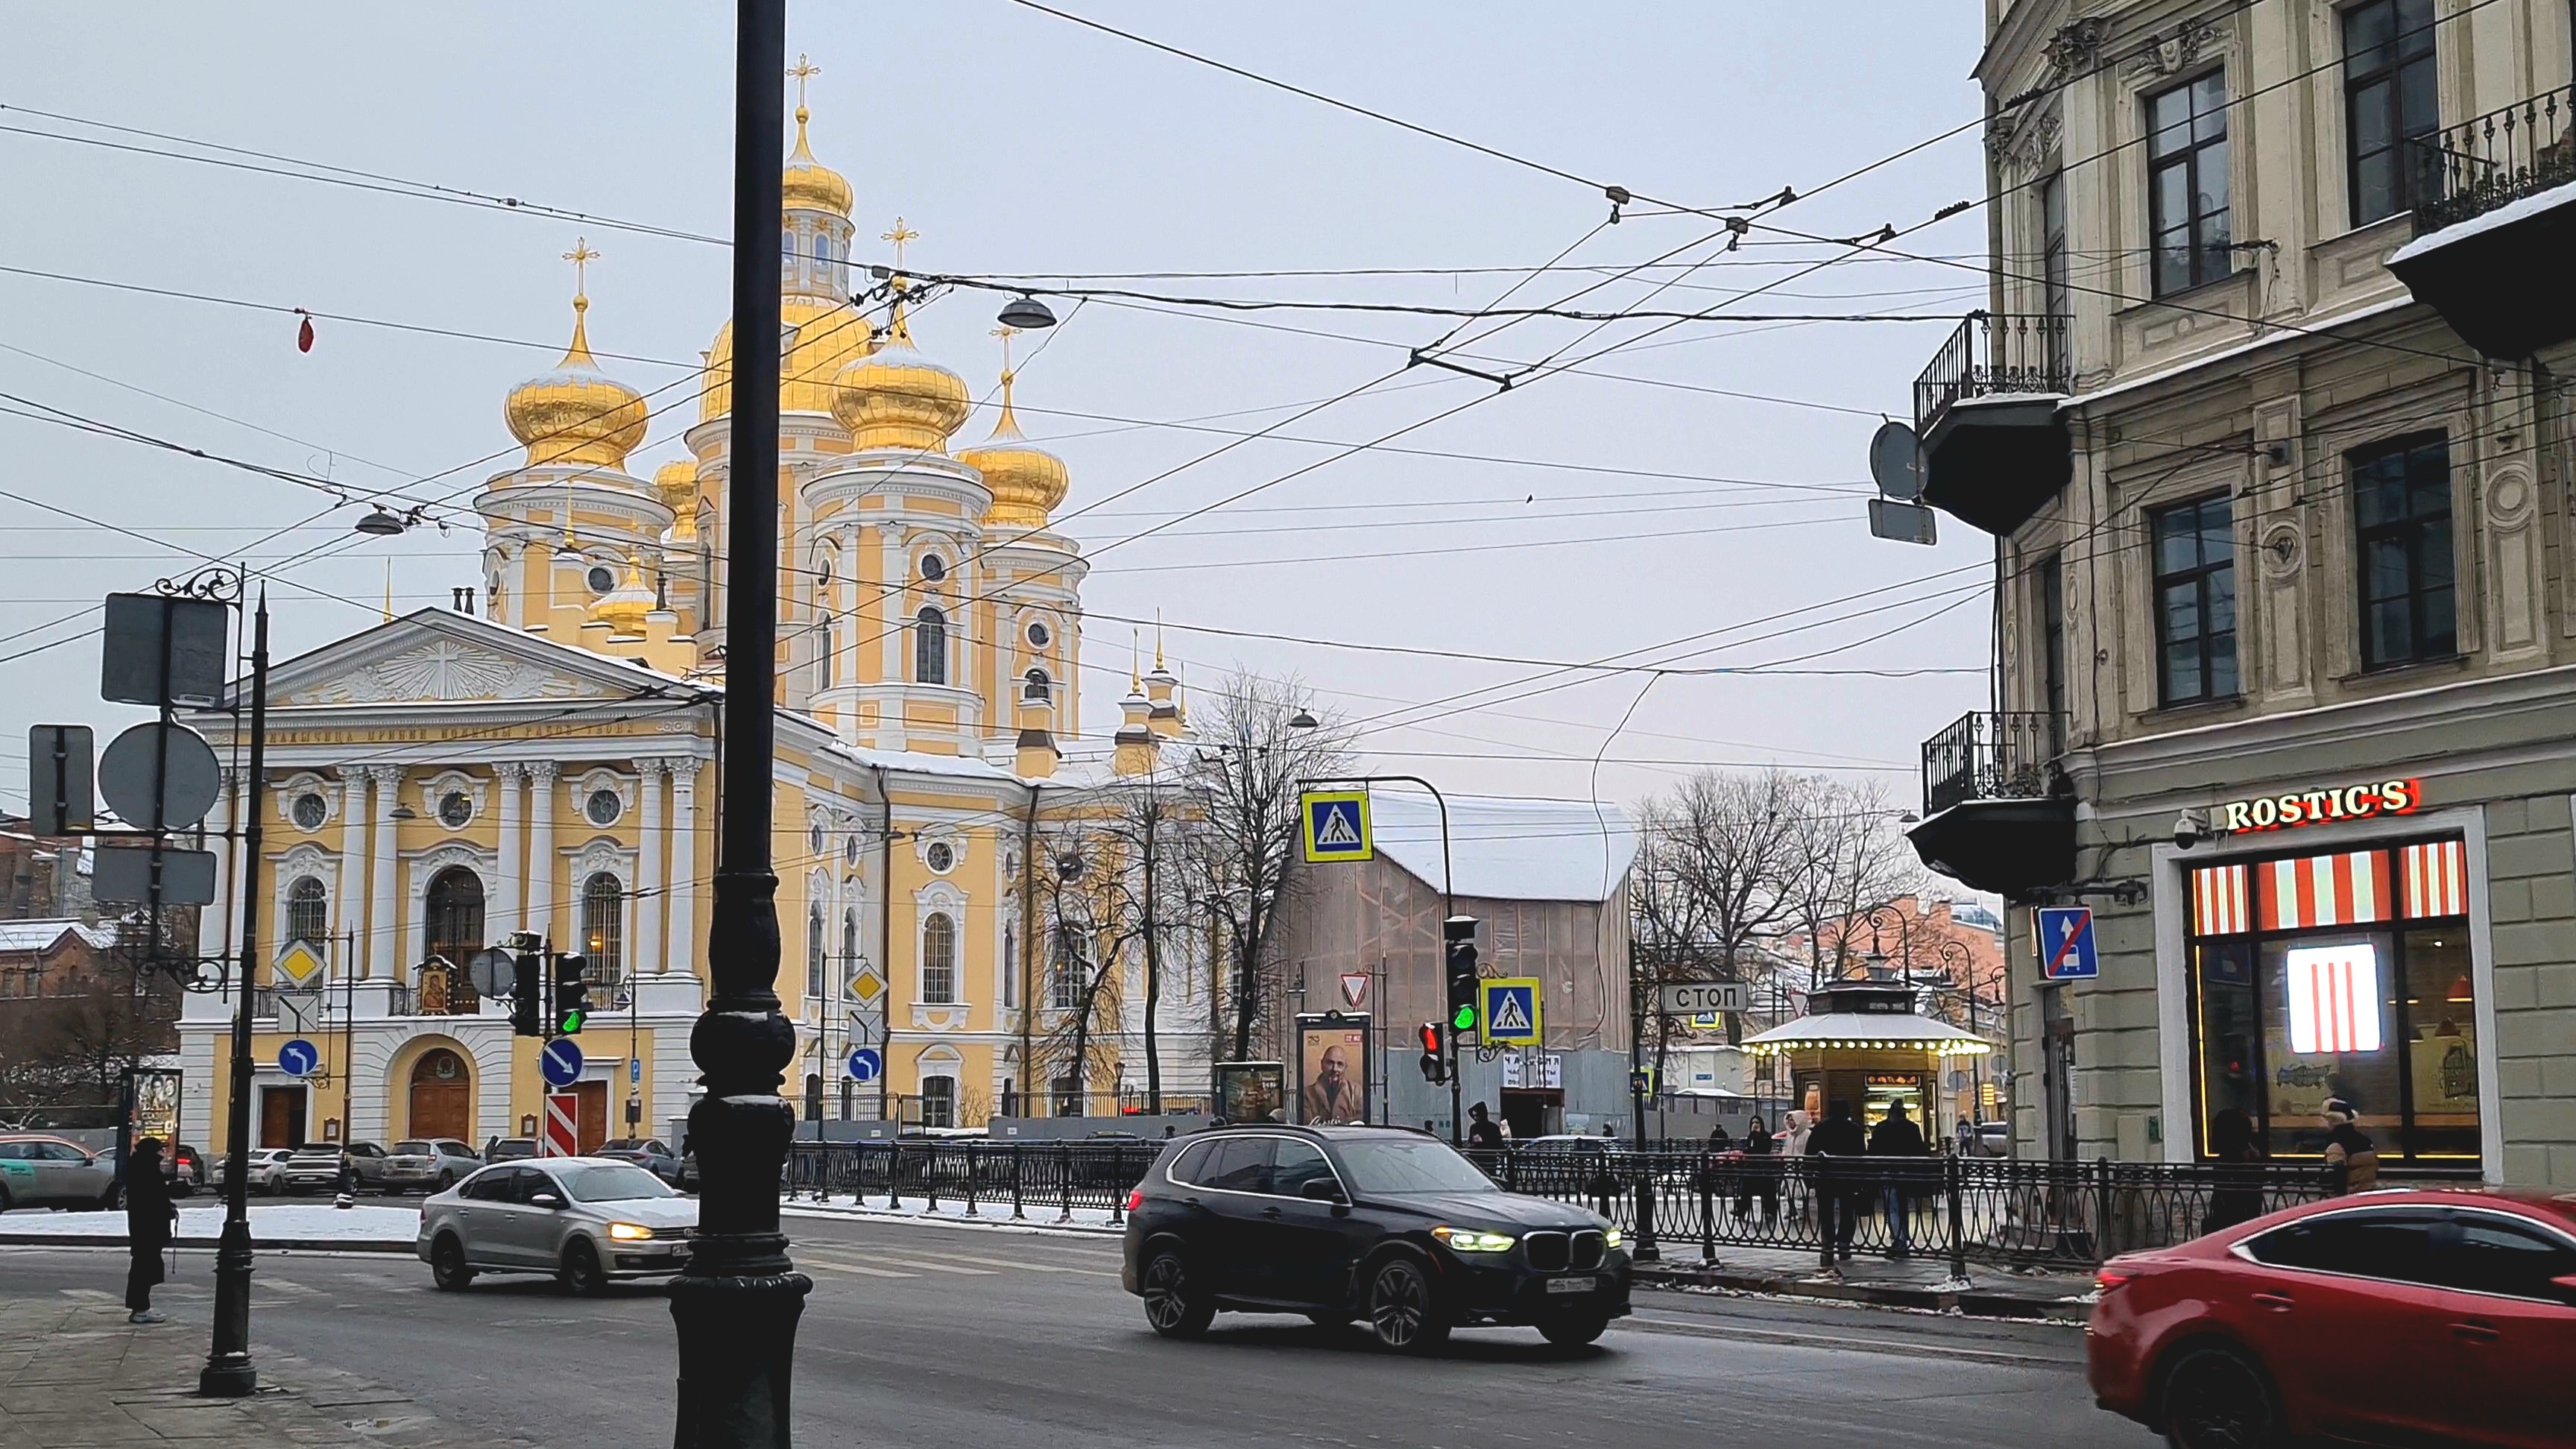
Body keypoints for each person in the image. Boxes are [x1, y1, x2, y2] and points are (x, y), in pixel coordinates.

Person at [1805, 1102, 1867, 1269]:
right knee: (1848, 1211)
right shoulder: (1853, 1129)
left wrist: (1808, 1177)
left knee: (1826, 1212)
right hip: (1848, 1177)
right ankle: (1844, 1244)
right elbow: (1861, 1155)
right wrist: (1862, 1180)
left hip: (1825, 1177)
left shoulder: (1820, 1128)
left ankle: (1827, 1246)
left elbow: (1809, 1154)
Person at [124, 1137, 177, 1325]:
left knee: (144, 1265)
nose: (162, 1154)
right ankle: (140, 1309)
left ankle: (140, 1307)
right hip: (149, 1228)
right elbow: (152, 1199)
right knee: (144, 1267)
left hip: (144, 1227)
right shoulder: (146, 1168)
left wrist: (167, 1207)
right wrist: (167, 1210)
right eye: (159, 1150)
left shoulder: (139, 1166)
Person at [1867, 1099, 1930, 1258]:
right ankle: (1904, 1237)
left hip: (1887, 1172)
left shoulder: (1881, 1129)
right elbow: (1920, 1150)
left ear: (1889, 1114)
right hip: (1906, 1172)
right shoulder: (1912, 1128)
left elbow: (1873, 1152)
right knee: (1904, 1206)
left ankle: (1899, 1240)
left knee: (1892, 1208)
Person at [2200, 1108, 2267, 1233]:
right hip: (2242, 1216)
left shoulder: (2234, 1156)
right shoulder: (2251, 1154)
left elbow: (2228, 1195)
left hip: (2234, 1219)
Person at [2320, 1099, 2378, 1195]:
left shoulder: (2337, 1145)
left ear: (2334, 1121)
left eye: (2327, 1120)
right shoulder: (2365, 1140)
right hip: (2368, 1194)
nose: (2326, 1124)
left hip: (2350, 1196)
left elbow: (2335, 1176)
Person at [1734, 1114, 1777, 1222]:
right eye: (1753, 1123)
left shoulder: (1766, 1136)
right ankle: (1741, 1211)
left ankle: (1770, 1212)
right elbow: (1748, 1150)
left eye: (1757, 1122)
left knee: (1768, 1190)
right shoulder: (1751, 1137)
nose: (1755, 1125)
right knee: (1745, 1189)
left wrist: (1756, 1137)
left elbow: (1764, 1149)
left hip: (1764, 1169)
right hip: (1752, 1168)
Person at [1301, 1047, 1362, 1123]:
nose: (1334, 1069)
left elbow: (1360, 1123)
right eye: (1330, 1063)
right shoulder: (1307, 1094)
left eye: (1340, 1064)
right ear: (1322, 1064)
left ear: (1345, 1067)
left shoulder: (1357, 1093)